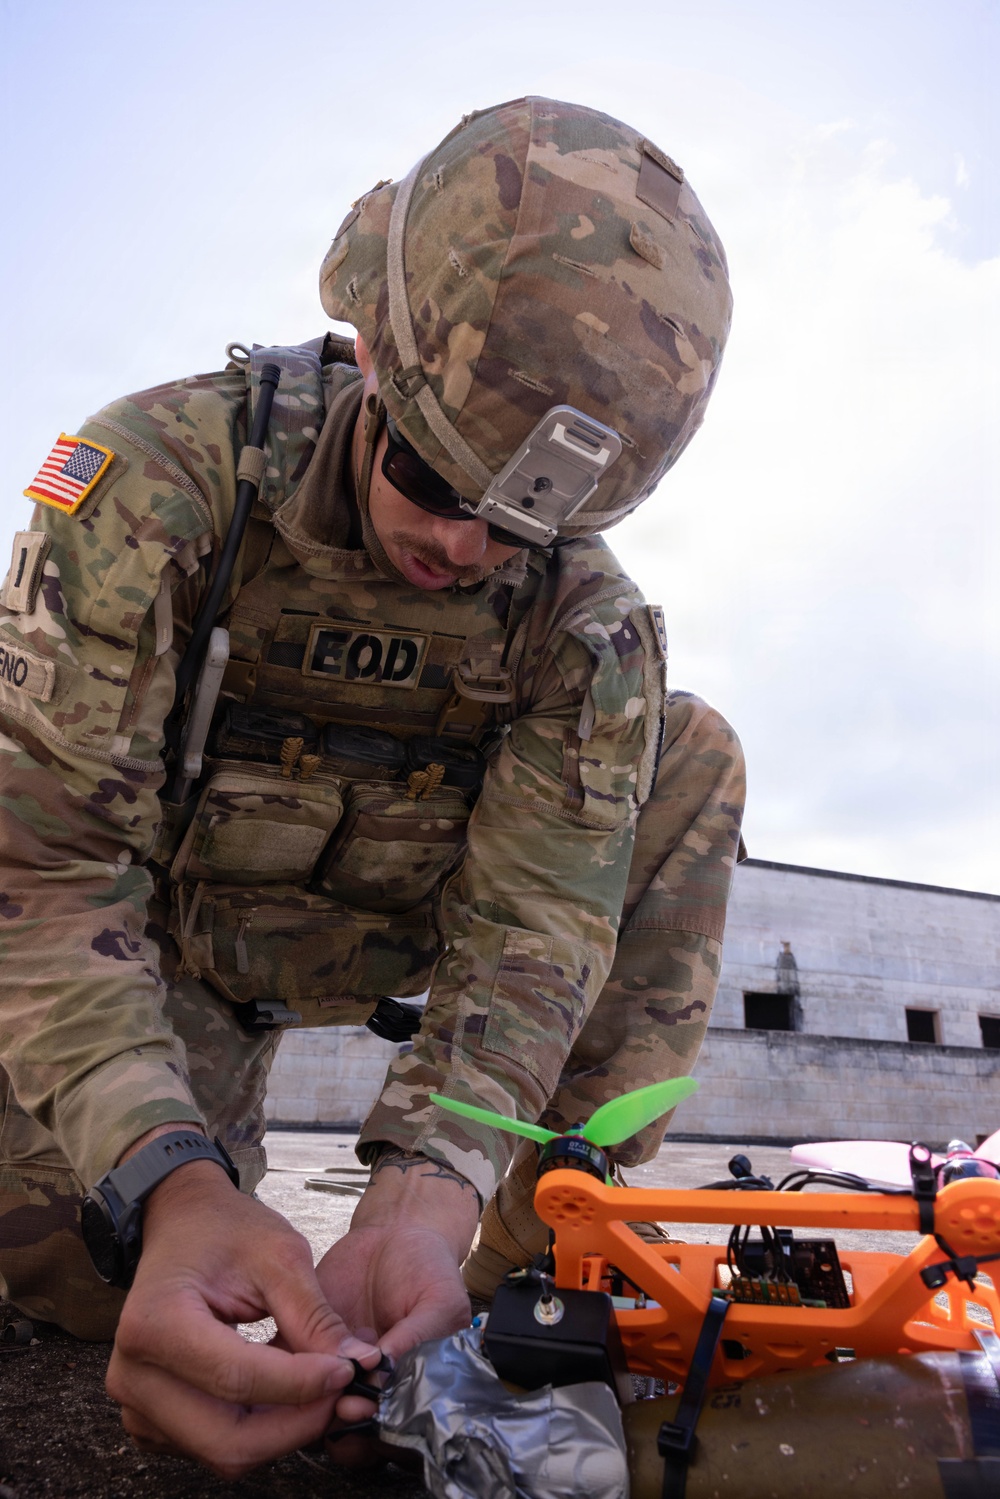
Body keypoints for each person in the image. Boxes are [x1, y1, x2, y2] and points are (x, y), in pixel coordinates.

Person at [0, 97, 744, 1475]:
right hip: (168, 958)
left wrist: (429, 1191)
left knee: (690, 748)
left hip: (406, 941)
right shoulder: (155, 492)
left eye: (523, 523)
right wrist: (166, 1175)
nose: (463, 547)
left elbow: (536, 931)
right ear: (364, 360)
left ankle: (535, 1243)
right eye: (429, 476)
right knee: (91, 1286)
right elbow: (41, 870)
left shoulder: (583, 630)